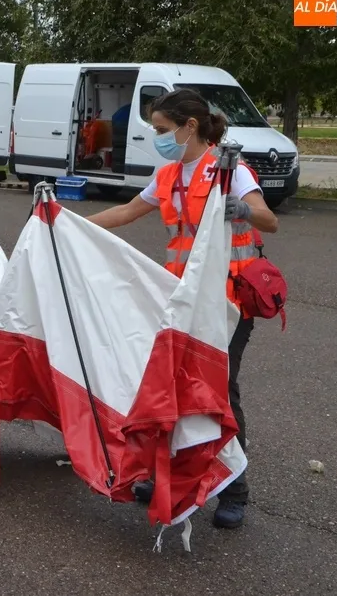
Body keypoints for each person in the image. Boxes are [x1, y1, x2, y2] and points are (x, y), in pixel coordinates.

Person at [85, 87, 279, 530]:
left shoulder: (232, 170)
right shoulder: (169, 174)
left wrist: (243, 211)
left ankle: (235, 491)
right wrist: (65, 218)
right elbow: (128, 211)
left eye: (162, 130)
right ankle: (165, 476)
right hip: (181, 302)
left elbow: (269, 219)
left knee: (220, 392)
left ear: (190, 127)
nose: (157, 137)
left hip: (228, 306)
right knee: (167, 386)